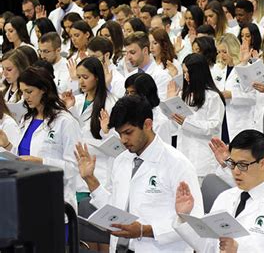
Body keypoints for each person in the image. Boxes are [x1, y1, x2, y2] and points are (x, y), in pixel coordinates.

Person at [75, 95, 203, 252]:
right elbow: (115, 209)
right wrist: (90, 179)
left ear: (147, 124)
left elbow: (194, 222)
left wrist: (145, 230)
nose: (123, 140)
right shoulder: (122, 160)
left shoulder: (177, 164)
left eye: (128, 132)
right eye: (120, 133)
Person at [174, 129, 264, 252]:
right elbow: (209, 247)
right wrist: (184, 217)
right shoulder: (224, 198)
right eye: (232, 163)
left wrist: (239, 250)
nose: (236, 171)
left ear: (263, 163)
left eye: (242, 165)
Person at [1, 66, 81, 212]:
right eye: (22, 92)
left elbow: (74, 168)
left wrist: (42, 163)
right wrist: (7, 145)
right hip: (27, 198)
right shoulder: (27, 119)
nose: (25, 97)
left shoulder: (65, 121)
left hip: (56, 201)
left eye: (29, 91)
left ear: (44, 89)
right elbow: (23, 156)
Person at [62, 57, 117, 201]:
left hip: (99, 172)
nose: (81, 81)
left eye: (85, 77)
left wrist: (107, 132)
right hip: (76, 173)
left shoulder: (111, 103)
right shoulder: (77, 101)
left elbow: (118, 147)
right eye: (78, 77)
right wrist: (70, 109)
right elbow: (75, 132)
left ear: (97, 77)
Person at [167, 53, 225, 180]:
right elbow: (175, 127)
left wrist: (186, 122)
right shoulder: (184, 94)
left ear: (198, 73)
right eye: (184, 73)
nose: (185, 77)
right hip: (184, 155)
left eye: (188, 73)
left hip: (203, 160)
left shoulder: (213, 96)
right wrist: (171, 104)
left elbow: (213, 127)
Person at [214, 33, 257, 142]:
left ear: (232, 49)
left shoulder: (244, 69)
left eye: (224, 52)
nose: (221, 56)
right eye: (219, 52)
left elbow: (253, 98)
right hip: (223, 120)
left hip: (240, 122)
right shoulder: (220, 71)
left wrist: (232, 96)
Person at [123, 31, 170, 100]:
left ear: (145, 51)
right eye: (127, 53)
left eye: (132, 52)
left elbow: (160, 106)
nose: (128, 57)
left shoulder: (161, 75)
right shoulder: (130, 76)